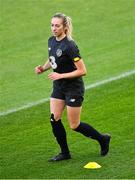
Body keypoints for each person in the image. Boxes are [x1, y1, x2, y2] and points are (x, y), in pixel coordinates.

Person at [35, 13, 111, 162]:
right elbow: (52, 58)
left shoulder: (70, 45)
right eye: (52, 25)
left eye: (57, 25)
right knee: (54, 118)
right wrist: (43, 68)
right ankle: (65, 153)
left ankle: (103, 139)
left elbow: (83, 71)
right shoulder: (51, 40)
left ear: (64, 27)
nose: (54, 28)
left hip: (73, 88)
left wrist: (60, 75)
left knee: (74, 125)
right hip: (59, 86)